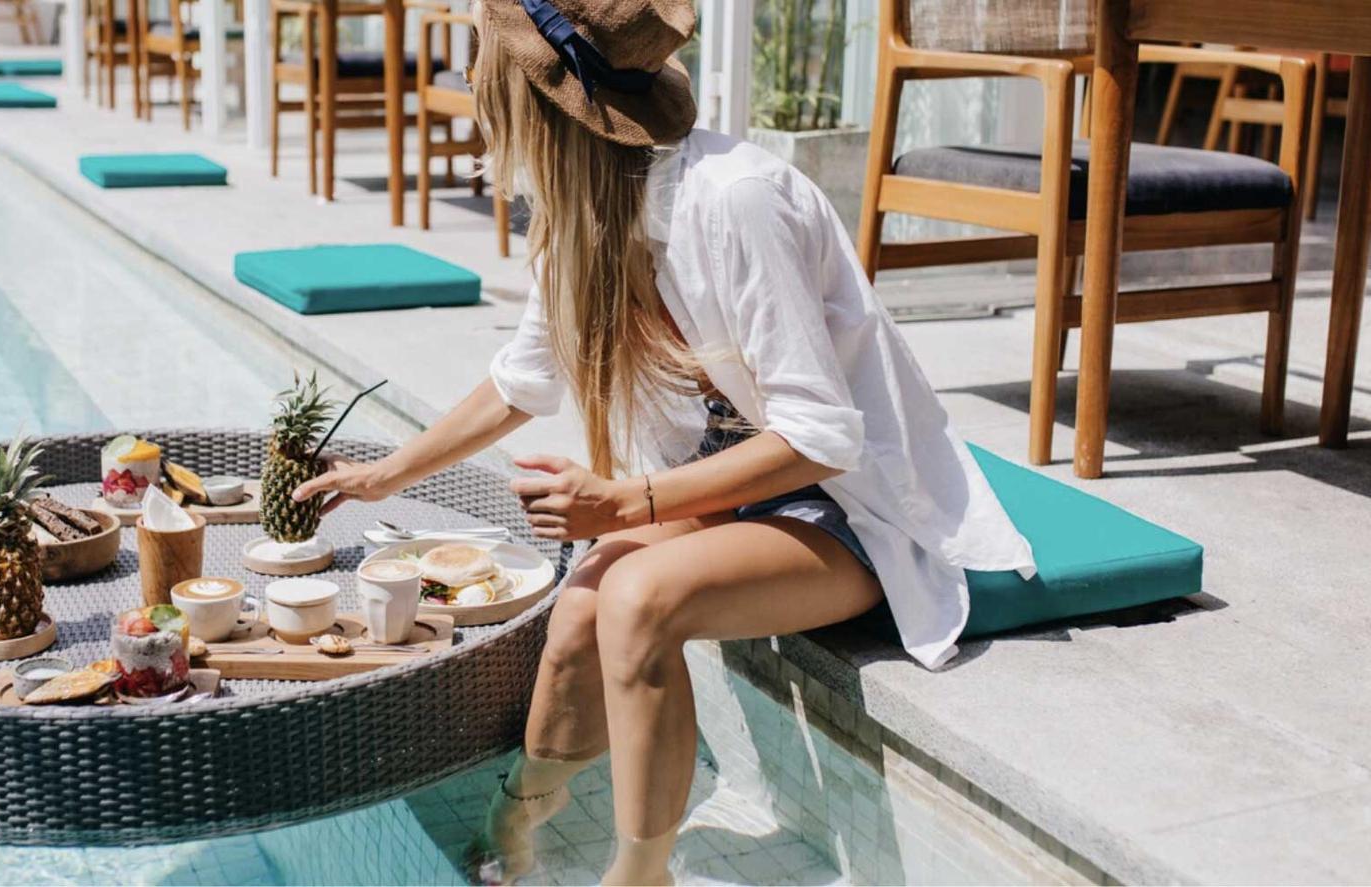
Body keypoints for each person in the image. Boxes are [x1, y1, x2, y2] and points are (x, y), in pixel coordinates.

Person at [292, 0, 1037, 881]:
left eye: (483, 59)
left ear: (535, 98)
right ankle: (519, 811)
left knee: (639, 597)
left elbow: (823, 437)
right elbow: (519, 383)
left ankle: (641, 873)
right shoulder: (583, 211)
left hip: (848, 509)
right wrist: (384, 476)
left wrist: (626, 503)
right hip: (731, 493)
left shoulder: (734, 200)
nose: (470, 76)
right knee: (581, 602)